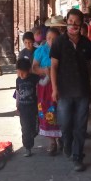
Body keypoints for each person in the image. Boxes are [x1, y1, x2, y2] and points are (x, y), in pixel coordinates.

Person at [50, 8, 91, 172]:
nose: (73, 25)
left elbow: (89, 66)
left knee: (81, 126)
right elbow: (53, 67)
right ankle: (66, 143)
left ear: (81, 24)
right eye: (70, 22)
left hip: (83, 91)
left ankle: (78, 157)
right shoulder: (59, 42)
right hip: (64, 91)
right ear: (66, 22)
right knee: (65, 123)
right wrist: (54, 89)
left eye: (76, 22)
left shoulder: (86, 43)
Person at [33, 20, 65, 155]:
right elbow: (33, 68)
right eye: (48, 38)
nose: (51, 41)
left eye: (54, 38)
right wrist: (44, 70)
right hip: (45, 87)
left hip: (60, 85)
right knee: (47, 112)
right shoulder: (41, 50)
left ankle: (61, 138)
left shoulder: (63, 49)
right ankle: (52, 141)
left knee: (61, 111)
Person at [15, 58, 40, 157]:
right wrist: (17, 105)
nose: (21, 75)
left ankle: (33, 134)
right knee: (25, 128)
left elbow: (40, 89)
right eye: (19, 72)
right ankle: (27, 147)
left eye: (23, 73)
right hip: (23, 108)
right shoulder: (18, 80)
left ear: (29, 70)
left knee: (34, 128)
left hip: (34, 108)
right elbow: (17, 93)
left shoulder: (34, 78)